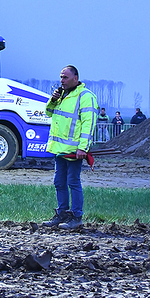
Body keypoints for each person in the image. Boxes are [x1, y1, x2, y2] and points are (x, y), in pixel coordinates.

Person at [43, 65, 98, 230]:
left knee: (73, 182)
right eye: (61, 77)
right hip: (59, 149)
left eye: (65, 77)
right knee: (59, 182)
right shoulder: (61, 95)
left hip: (75, 150)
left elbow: (89, 124)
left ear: (76, 78)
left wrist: (83, 148)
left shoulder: (86, 96)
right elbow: (49, 113)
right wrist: (53, 100)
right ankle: (62, 213)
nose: (62, 80)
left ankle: (76, 217)